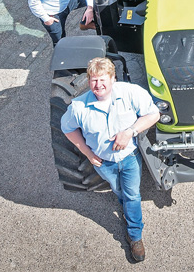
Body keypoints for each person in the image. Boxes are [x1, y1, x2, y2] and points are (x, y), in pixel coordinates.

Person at [61, 57, 159, 263]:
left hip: (130, 158)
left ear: (113, 78)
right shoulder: (78, 108)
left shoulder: (130, 93)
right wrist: (87, 152)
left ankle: (135, 236)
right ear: (89, 81)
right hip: (103, 164)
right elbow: (67, 129)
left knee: (132, 195)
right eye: (94, 80)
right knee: (119, 192)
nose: (99, 85)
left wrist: (130, 131)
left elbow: (153, 114)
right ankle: (127, 210)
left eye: (103, 79)